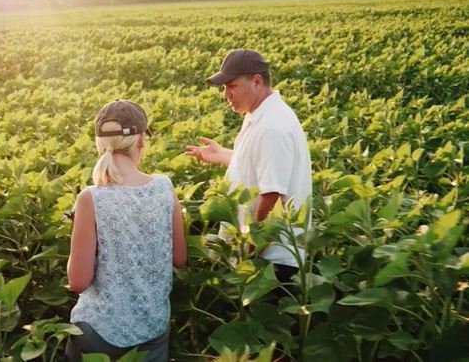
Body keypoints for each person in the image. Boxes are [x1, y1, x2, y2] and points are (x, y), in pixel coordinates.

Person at [66, 99, 186, 361]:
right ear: (141, 140)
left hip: (98, 332)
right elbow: (179, 258)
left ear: (99, 144)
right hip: (152, 331)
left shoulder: (90, 198)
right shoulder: (164, 187)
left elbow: (77, 281)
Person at [185, 49, 312, 283]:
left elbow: (272, 194)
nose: (226, 94)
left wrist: (249, 248)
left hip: (273, 260)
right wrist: (223, 155)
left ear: (256, 81)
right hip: (265, 255)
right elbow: (261, 166)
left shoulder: (272, 127)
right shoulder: (261, 114)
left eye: (231, 86)